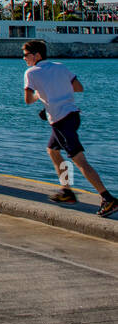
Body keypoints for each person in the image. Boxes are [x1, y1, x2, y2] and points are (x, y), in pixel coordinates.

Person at [22, 40, 118, 217]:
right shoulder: (60, 66)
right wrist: (54, 97)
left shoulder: (31, 73)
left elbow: (28, 99)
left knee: (79, 160)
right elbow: (78, 88)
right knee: (52, 151)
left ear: (37, 56)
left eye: (26, 55)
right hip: (73, 115)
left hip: (61, 121)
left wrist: (41, 96)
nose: (24, 58)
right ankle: (67, 191)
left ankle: (107, 198)